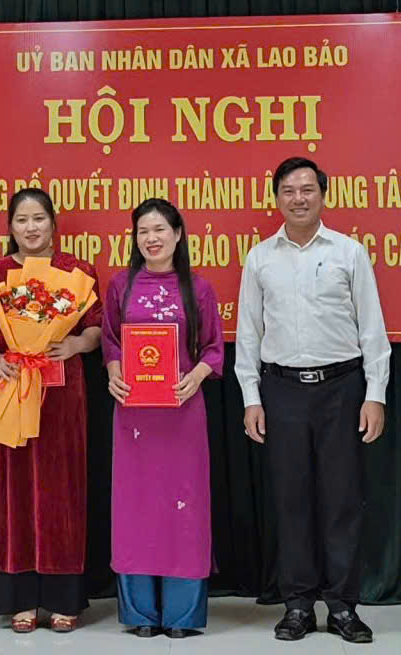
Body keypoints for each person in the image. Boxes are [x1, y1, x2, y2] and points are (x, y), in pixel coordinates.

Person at [235, 157, 391, 643]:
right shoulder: (260, 258)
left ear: (323, 195)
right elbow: (248, 333)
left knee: (342, 500)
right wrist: (251, 397)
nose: (298, 198)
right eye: (288, 190)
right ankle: (298, 605)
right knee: (292, 500)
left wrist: (375, 394)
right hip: (281, 391)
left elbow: (372, 329)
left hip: (342, 389)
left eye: (307, 189)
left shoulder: (349, 252)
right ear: (276, 198)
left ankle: (343, 606)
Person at [0, 188, 102, 633]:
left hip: (63, 394)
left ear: (53, 223)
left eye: (39, 218)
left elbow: (96, 328)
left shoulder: (77, 272)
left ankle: (65, 598)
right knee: (14, 491)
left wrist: (76, 344)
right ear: (10, 227)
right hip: (11, 388)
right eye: (22, 220)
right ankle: (20, 598)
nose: (31, 227)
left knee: (63, 489)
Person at [102, 198, 223, 639]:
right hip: (134, 415)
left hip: (182, 413)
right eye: (143, 231)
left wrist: (196, 376)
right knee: (136, 508)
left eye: (159, 230)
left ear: (177, 234)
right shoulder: (121, 285)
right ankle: (139, 613)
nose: (151, 239)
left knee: (184, 509)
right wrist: (114, 372)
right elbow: (110, 340)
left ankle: (181, 614)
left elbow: (213, 347)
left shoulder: (199, 288)